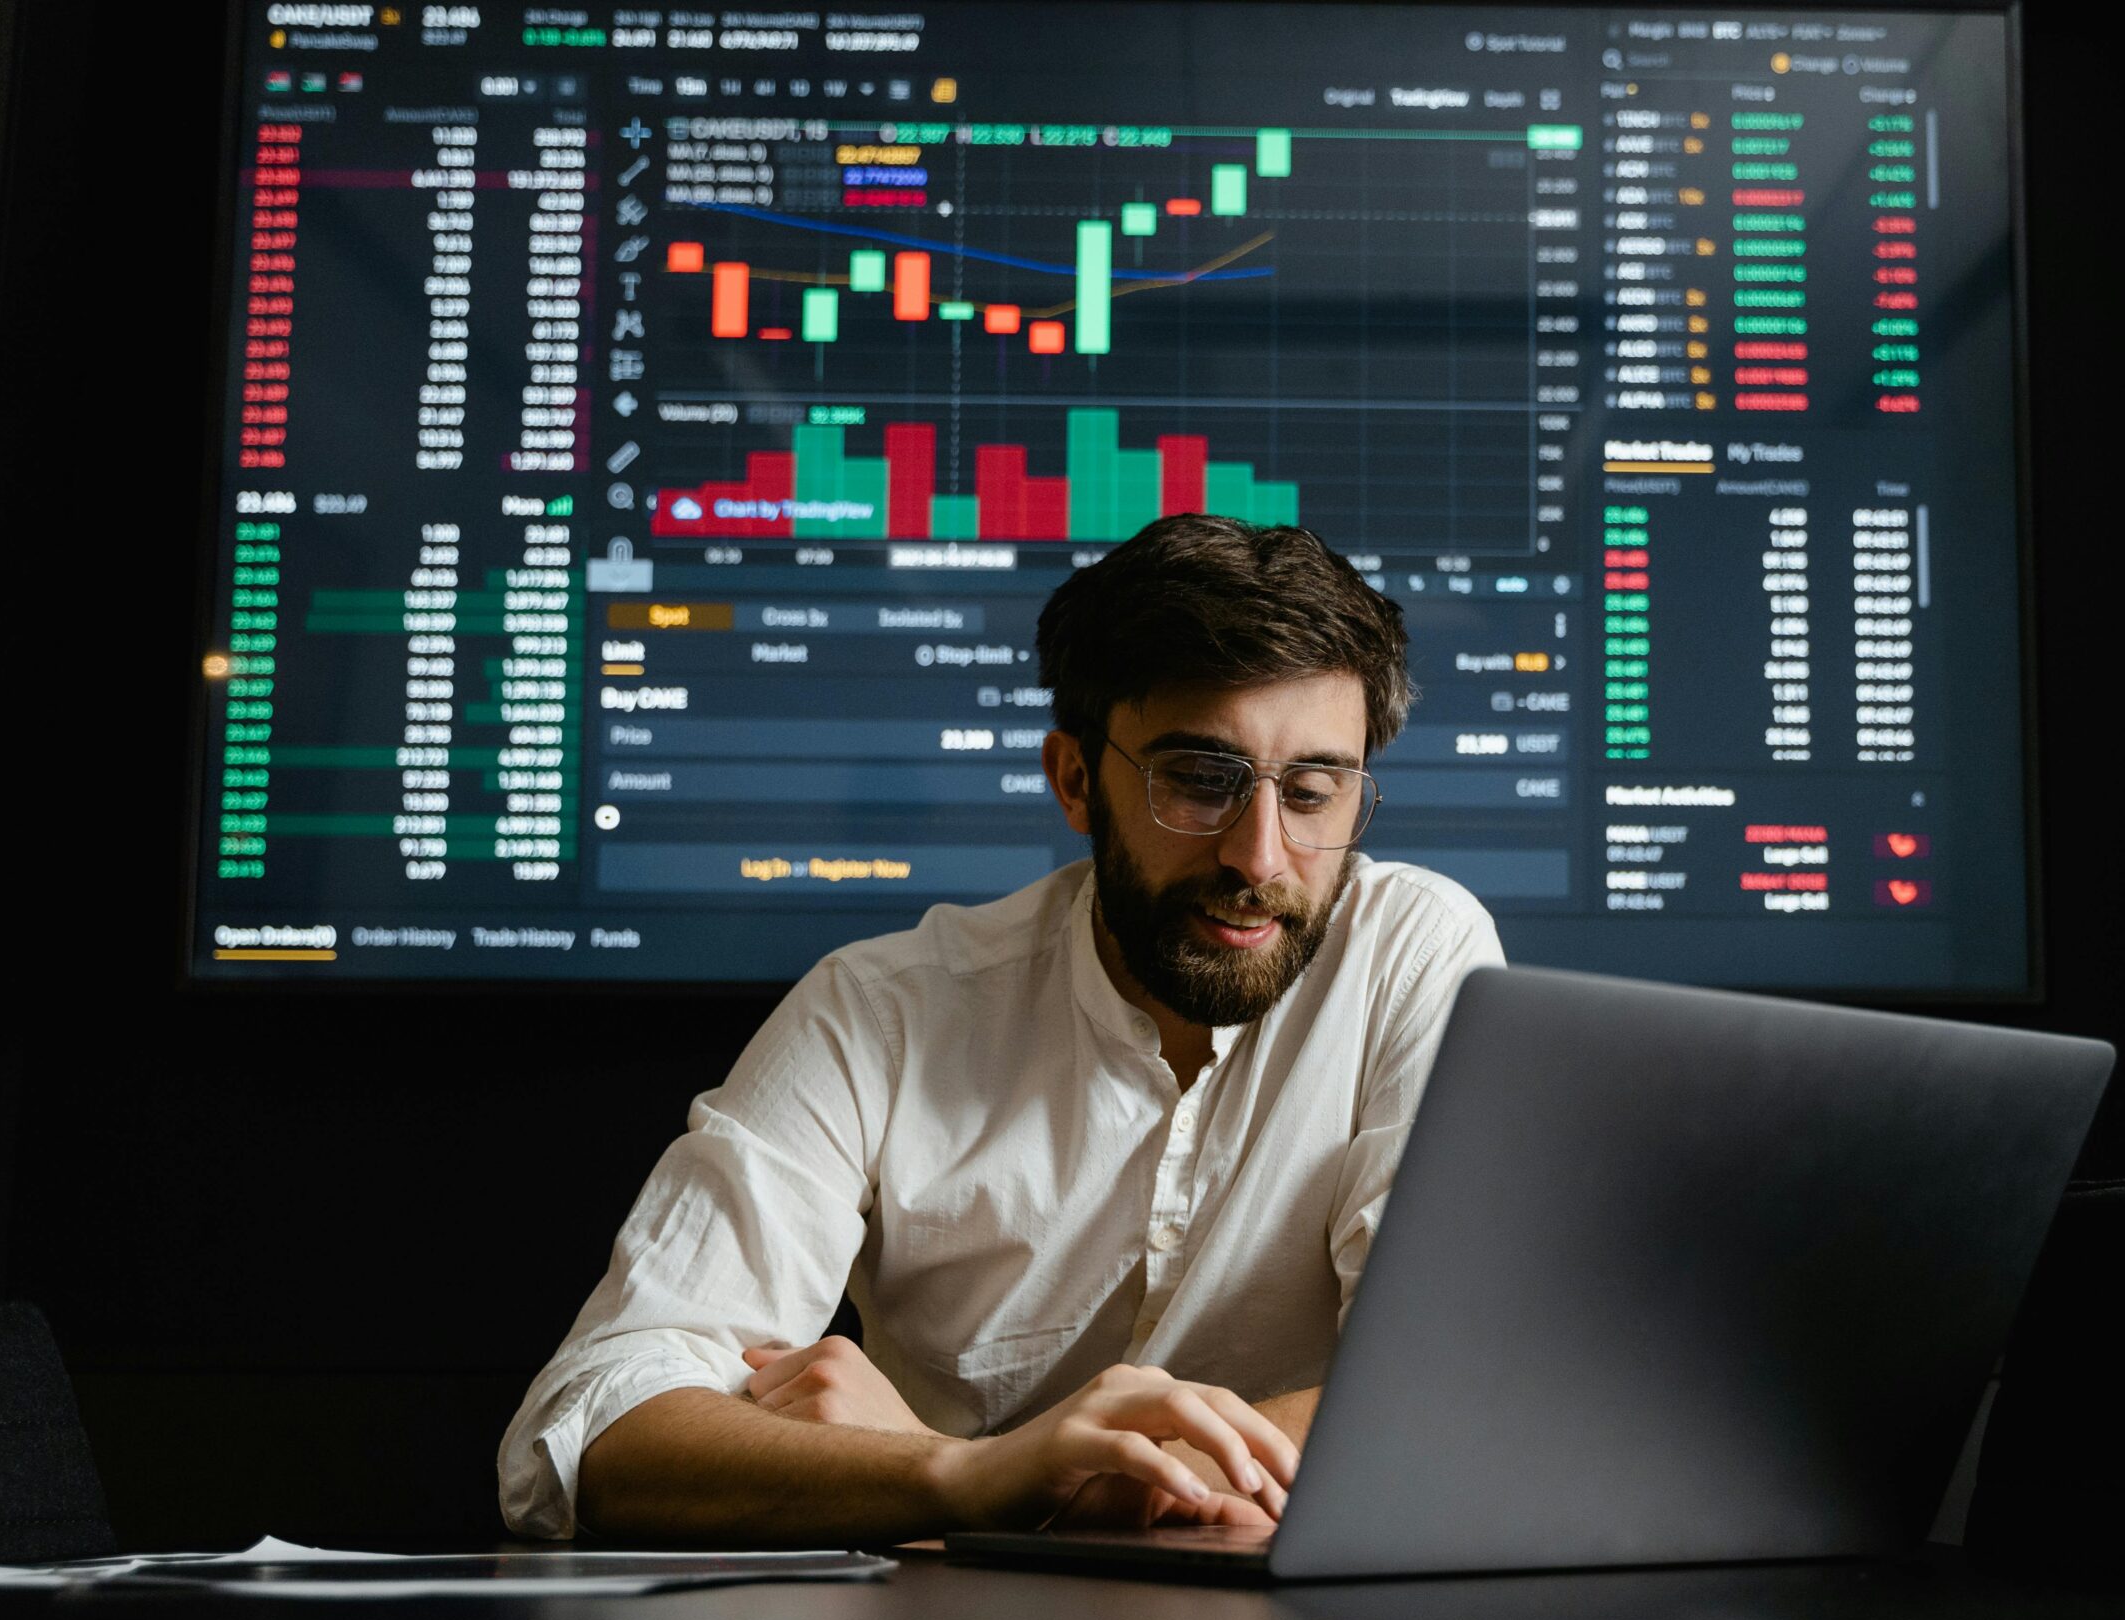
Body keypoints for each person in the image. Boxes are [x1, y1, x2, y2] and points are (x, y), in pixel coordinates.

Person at [497, 516, 1505, 1545]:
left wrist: (1005, 1488)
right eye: (1199, 780)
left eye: (1311, 792)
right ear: (1075, 778)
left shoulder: (1414, 952)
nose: (1260, 854)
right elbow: (593, 1429)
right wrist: (965, 1478)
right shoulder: (875, 1011)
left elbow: (1450, 1382)